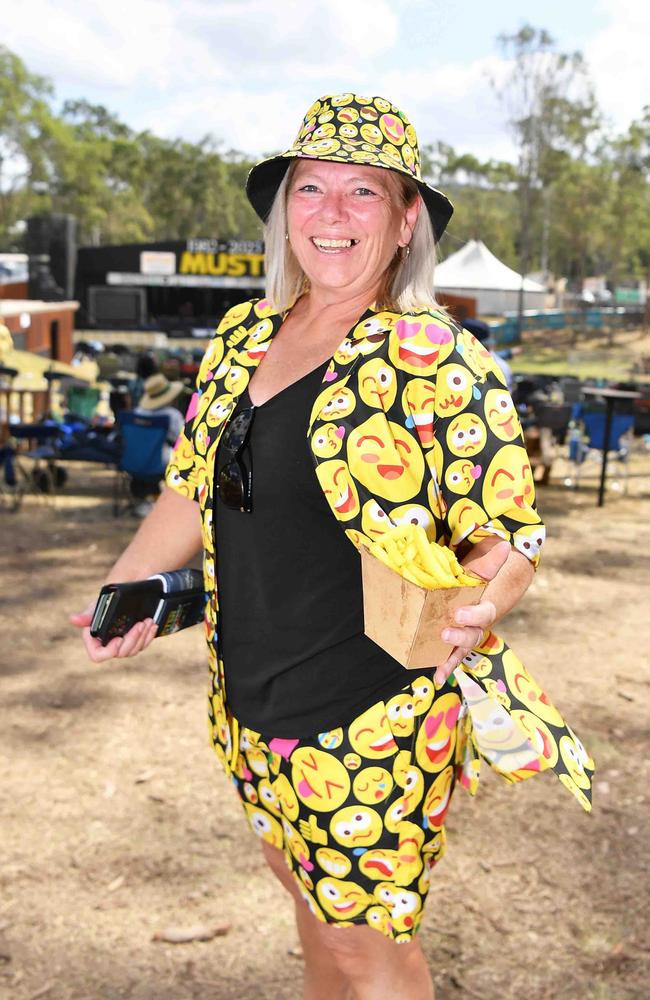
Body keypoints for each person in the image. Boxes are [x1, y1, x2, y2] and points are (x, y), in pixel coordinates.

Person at [72, 93, 593, 1000]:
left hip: (375, 709)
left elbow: (507, 536)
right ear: (285, 213)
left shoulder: (439, 358)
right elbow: (191, 485)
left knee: (365, 946)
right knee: (305, 903)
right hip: (250, 694)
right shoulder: (241, 338)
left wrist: (479, 606)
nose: (333, 213)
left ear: (406, 221)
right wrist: (125, 590)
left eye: (364, 192)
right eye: (312, 189)